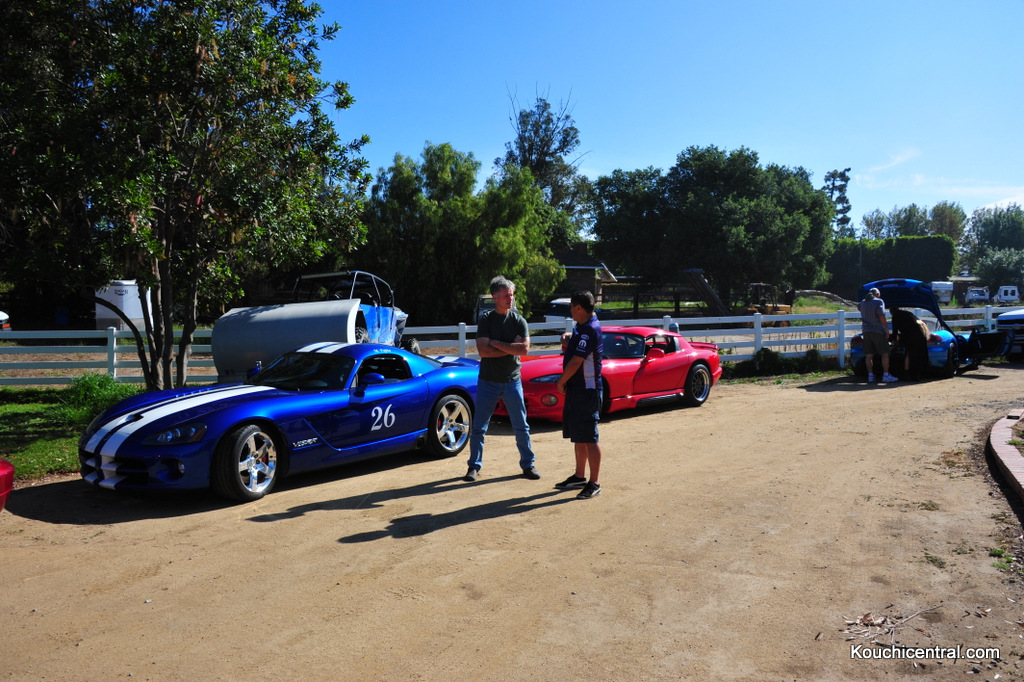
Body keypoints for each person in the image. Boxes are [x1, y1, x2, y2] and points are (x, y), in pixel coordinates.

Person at [464, 276, 539, 482]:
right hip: (488, 381)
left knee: (521, 426)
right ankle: (473, 467)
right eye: (506, 295)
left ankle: (528, 464)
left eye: (511, 295)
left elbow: (524, 349)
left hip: (512, 381)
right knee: (479, 427)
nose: (510, 299)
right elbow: (483, 351)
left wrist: (495, 343)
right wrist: (510, 346)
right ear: (495, 297)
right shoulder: (486, 320)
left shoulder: (518, 320)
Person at [554, 290, 604, 500]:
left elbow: (576, 362)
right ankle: (579, 476)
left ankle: (594, 482)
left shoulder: (589, 329)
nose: (571, 312)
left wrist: (561, 381)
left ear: (579, 308)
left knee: (590, 437)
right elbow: (578, 348)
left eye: (571, 307)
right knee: (580, 435)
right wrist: (569, 338)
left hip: (587, 390)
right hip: (579, 389)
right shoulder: (583, 326)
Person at [858, 287, 898, 383]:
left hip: (866, 331)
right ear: (877, 294)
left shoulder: (862, 303)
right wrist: (886, 329)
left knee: (869, 355)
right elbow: (881, 315)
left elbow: (858, 307)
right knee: (885, 353)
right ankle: (886, 375)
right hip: (877, 331)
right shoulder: (879, 302)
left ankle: (870, 376)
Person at [891, 307, 929, 380]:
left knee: (909, 354)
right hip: (920, 333)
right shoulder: (907, 313)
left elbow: (895, 330)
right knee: (919, 353)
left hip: (910, 335)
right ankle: (919, 373)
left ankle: (908, 373)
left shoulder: (895, 316)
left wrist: (894, 341)